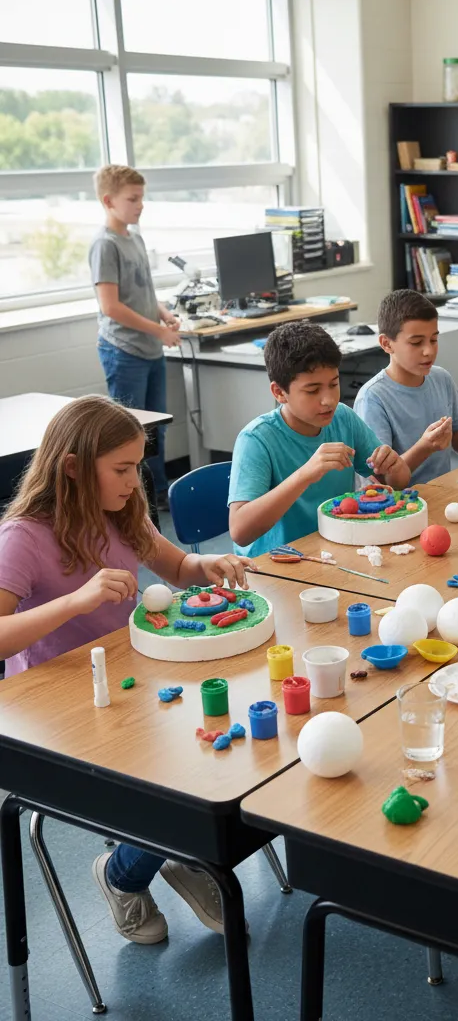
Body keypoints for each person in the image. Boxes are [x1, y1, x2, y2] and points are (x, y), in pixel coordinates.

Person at [0, 396, 253, 943]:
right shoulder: (22, 538)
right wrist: (73, 603)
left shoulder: (123, 514)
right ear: (71, 468)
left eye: (137, 466)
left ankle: (179, 849)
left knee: (219, 753)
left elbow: (180, 567)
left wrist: (208, 566)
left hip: (133, 682)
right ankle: (127, 872)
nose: (135, 482)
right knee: (184, 783)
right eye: (121, 469)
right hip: (57, 709)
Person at [228, 320, 409, 557]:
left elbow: (398, 481)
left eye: (334, 384)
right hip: (273, 565)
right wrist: (305, 474)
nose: (328, 400)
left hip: (333, 549)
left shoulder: (342, 418)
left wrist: (393, 465)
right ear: (279, 392)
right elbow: (240, 531)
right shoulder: (256, 439)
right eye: (312, 390)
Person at [354, 289, 458, 484]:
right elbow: (383, 481)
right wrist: (425, 446)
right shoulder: (373, 398)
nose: (429, 351)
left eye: (434, 340)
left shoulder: (441, 379)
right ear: (386, 344)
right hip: (398, 507)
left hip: (440, 494)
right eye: (416, 343)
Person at [89, 165, 182, 507]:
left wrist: (163, 314)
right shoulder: (105, 245)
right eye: (132, 199)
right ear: (109, 200)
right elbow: (111, 306)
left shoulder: (135, 237)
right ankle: (131, 497)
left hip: (149, 348)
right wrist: (158, 330)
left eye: (141, 197)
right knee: (127, 431)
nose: (140, 205)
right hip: (124, 351)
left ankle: (156, 491)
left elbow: (142, 292)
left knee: (156, 427)